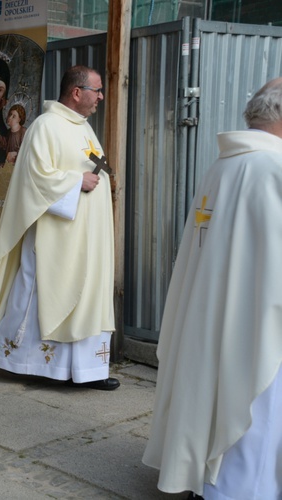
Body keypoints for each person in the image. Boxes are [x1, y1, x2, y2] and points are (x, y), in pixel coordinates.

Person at [142, 78, 282, 499]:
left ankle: (204, 477)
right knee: (252, 397)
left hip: (213, 309)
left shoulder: (225, 163)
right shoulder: (272, 167)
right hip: (254, 319)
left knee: (210, 390)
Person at [0, 65, 119, 391]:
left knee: (88, 295)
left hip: (87, 236)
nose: (100, 97)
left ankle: (88, 369)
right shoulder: (46, 126)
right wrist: (75, 181)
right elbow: (33, 179)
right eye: (96, 90)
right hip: (54, 236)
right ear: (76, 92)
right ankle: (29, 362)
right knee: (46, 292)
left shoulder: (83, 128)